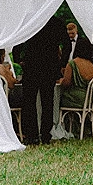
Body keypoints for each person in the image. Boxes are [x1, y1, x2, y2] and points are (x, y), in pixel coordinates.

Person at [15, 15, 67, 145]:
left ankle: (32, 135)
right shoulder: (56, 22)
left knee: (29, 101)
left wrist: (18, 59)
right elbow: (67, 44)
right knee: (47, 102)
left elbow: (19, 40)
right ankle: (45, 134)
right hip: (49, 66)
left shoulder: (32, 19)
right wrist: (61, 63)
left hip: (32, 65)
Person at [57, 37, 93, 107]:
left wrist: (61, 80)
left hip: (76, 99)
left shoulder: (73, 63)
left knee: (57, 100)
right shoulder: (92, 64)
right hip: (90, 100)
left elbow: (66, 83)